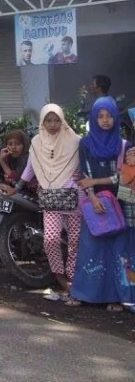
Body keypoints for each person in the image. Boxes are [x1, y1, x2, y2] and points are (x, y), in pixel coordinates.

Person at [4, 104, 81, 304]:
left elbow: (85, 164)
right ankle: (59, 276)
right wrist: (18, 187)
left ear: (62, 120)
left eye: (56, 120)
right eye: (49, 120)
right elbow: (31, 168)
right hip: (49, 196)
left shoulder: (75, 141)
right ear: (43, 122)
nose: (53, 124)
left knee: (75, 240)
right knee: (51, 239)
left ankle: (73, 279)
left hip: (74, 196)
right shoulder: (37, 143)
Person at [71, 97, 135, 311]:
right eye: (100, 116)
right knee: (92, 248)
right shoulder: (86, 143)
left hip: (121, 204)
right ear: (94, 118)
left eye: (109, 116)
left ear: (115, 118)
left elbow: (123, 176)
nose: (105, 120)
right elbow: (84, 173)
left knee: (118, 251)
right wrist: (92, 197)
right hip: (94, 205)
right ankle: (87, 295)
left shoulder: (124, 145)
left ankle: (116, 297)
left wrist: (96, 183)